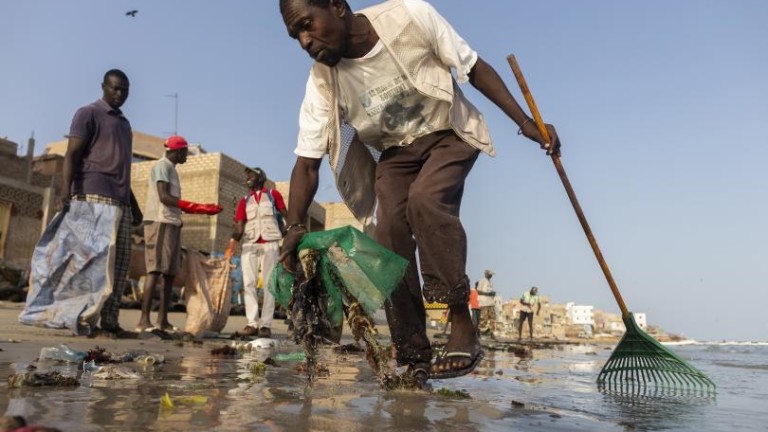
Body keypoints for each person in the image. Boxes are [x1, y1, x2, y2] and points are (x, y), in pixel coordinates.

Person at [278, 0, 560, 382]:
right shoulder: (322, 80)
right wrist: (294, 226)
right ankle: (413, 353)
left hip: (448, 133)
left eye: (308, 26)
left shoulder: (409, 16)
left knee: (425, 201)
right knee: (388, 232)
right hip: (395, 155)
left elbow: (473, 68)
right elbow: (306, 162)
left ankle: (461, 323)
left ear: (336, 6)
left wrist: (527, 122)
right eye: (297, 35)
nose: (305, 41)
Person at [61, 69, 142, 337]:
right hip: (92, 196)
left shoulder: (125, 124)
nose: (119, 94)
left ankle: (110, 322)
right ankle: (84, 322)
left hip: (120, 201)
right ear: (104, 87)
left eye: (124, 90)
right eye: (115, 88)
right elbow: (71, 154)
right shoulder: (88, 113)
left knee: (119, 266)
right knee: (95, 264)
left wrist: (134, 204)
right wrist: (66, 192)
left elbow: (121, 168)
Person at [135, 135, 222, 333]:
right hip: (160, 222)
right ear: (178, 151)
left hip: (172, 223)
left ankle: (162, 321)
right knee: (155, 270)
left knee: (169, 273)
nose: (186, 157)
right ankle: (143, 321)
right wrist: (196, 207)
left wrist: (200, 209)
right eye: (185, 153)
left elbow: (173, 202)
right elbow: (164, 197)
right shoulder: (162, 167)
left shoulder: (172, 170)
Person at [225, 167, 287, 339]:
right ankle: (252, 324)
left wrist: (292, 235)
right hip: (249, 245)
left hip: (271, 244)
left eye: (251, 175)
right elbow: (239, 225)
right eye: (247, 177)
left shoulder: (273, 195)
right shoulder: (245, 200)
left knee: (269, 284)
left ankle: (265, 325)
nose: (248, 179)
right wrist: (231, 246)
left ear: (261, 177)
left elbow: (285, 214)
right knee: (249, 284)